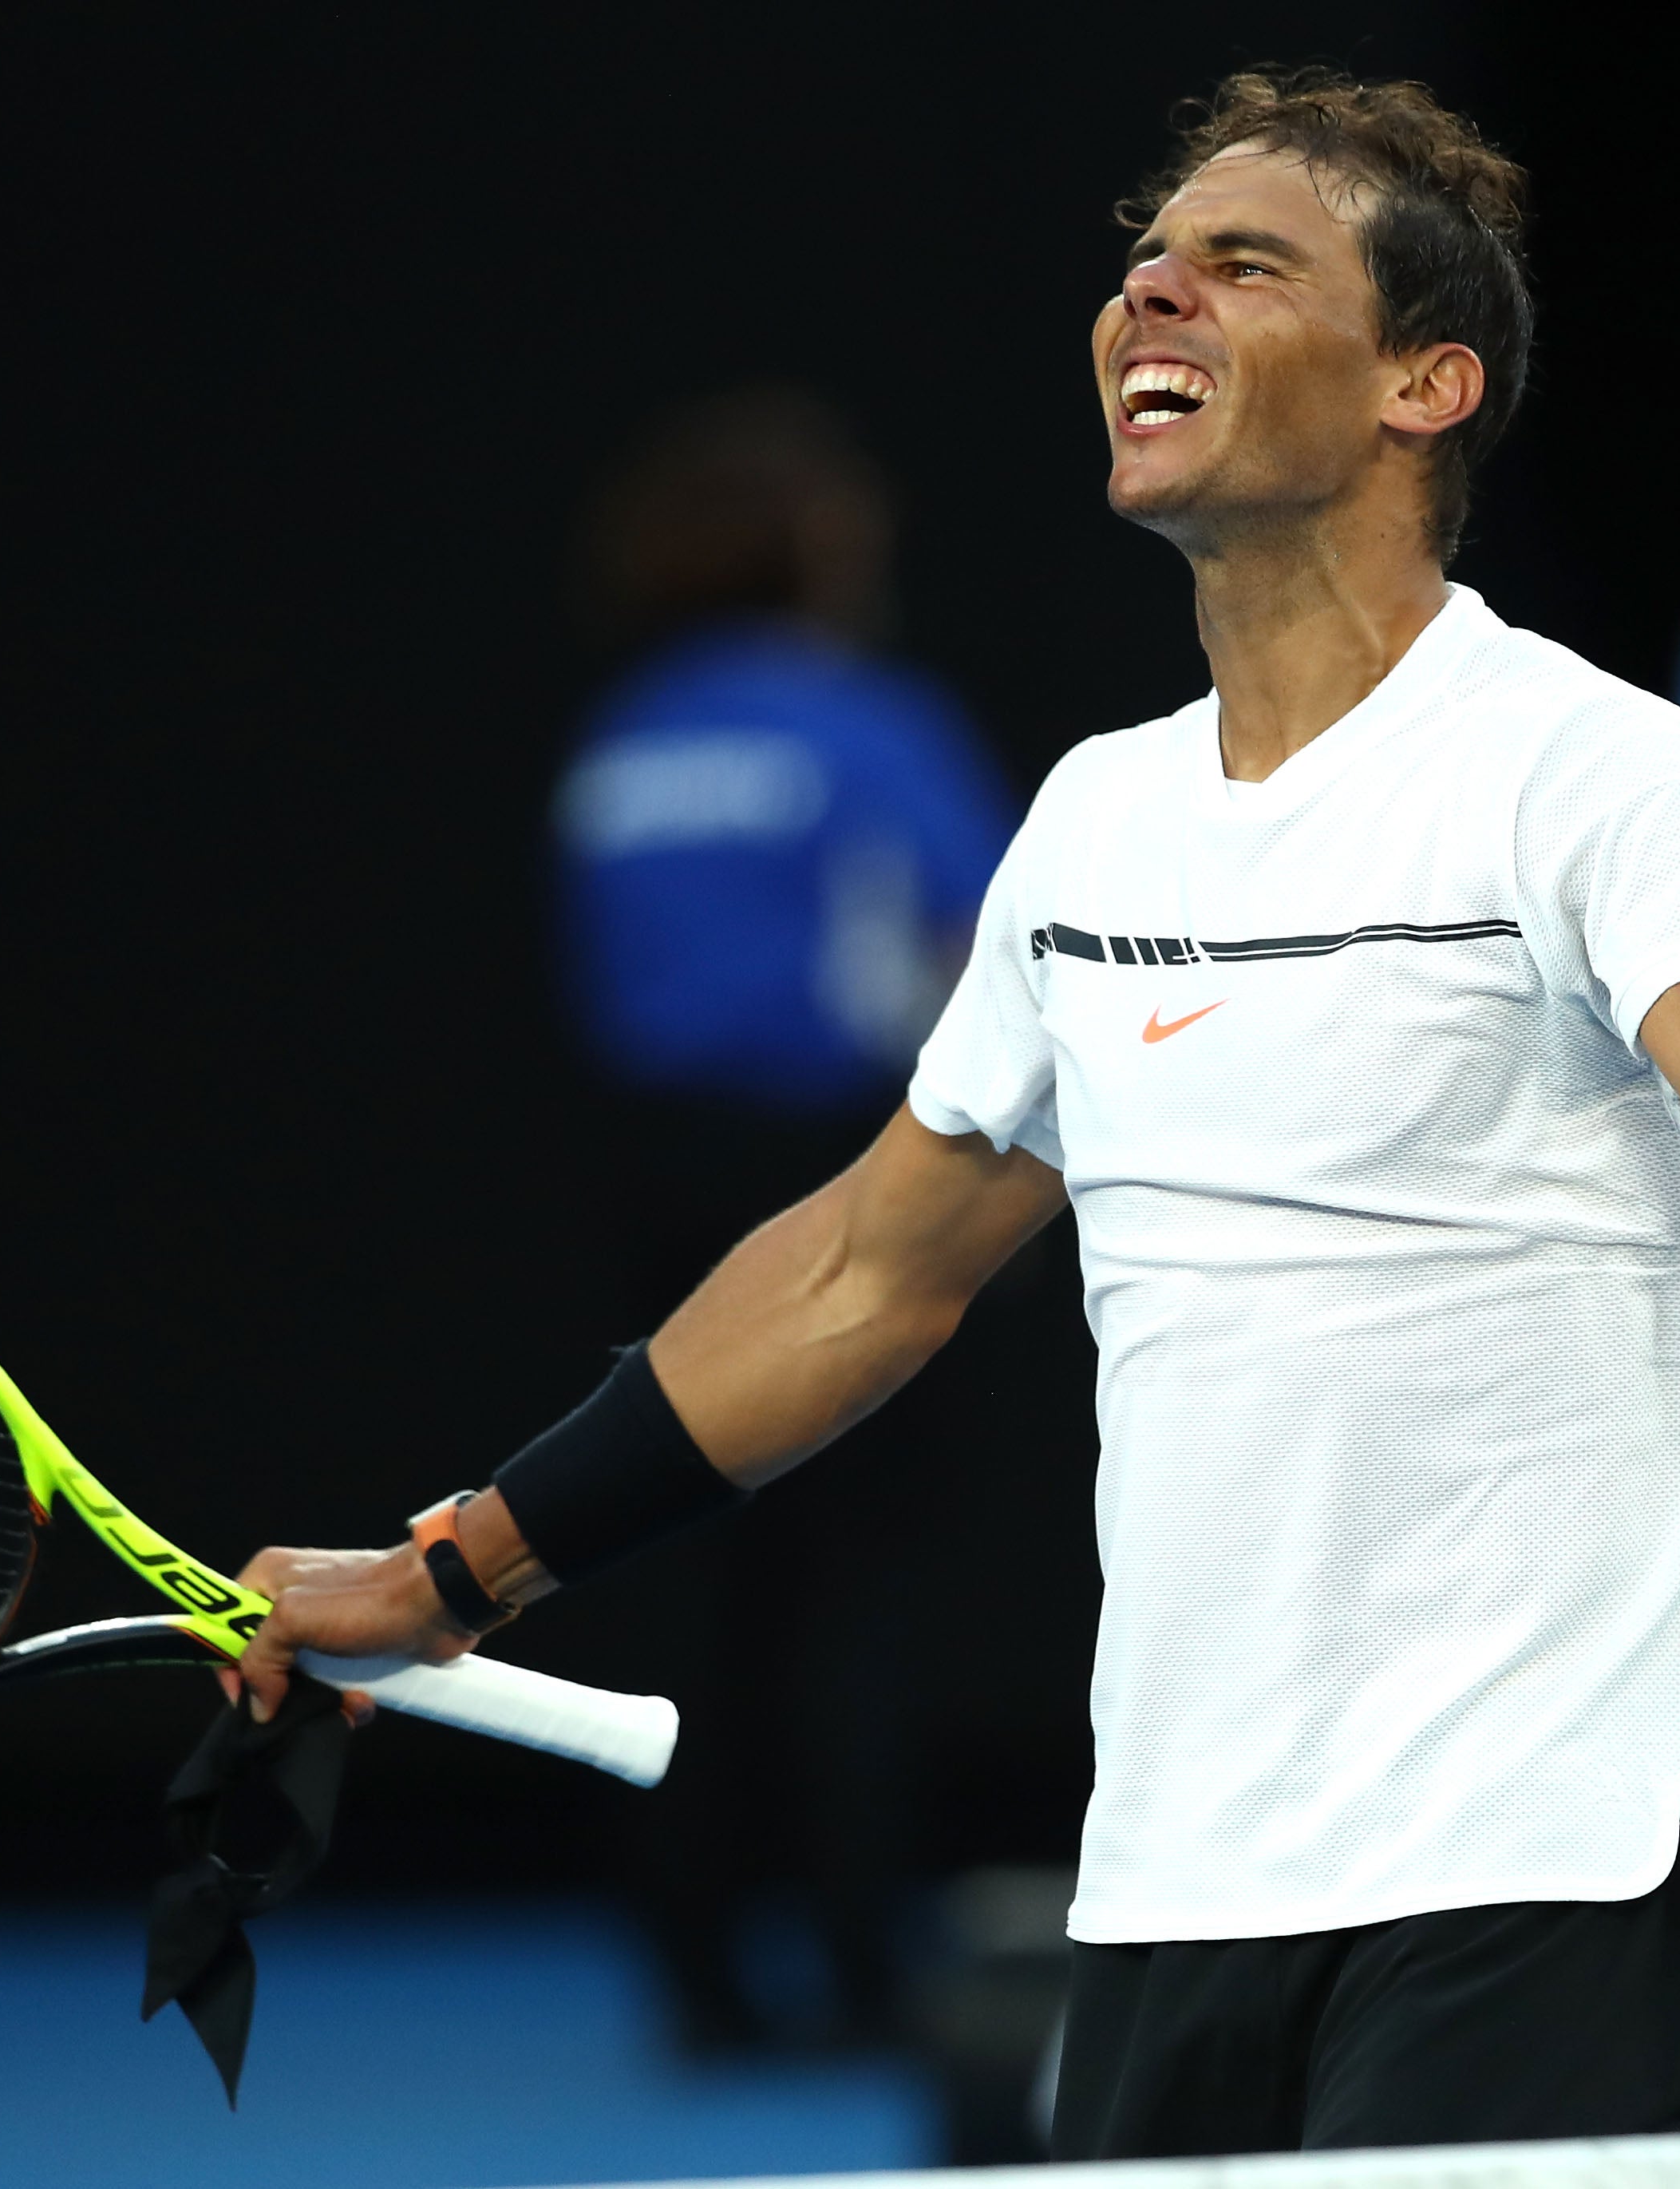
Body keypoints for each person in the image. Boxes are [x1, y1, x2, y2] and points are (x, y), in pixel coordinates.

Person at [240, 70, 1680, 2152]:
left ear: (1421, 382)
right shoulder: (1094, 820)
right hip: (1185, 1874)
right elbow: (856, 1272)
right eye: (1142, 264)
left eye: (1241, 264)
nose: (1151, 297)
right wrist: (461, 1566)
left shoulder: (1587, 768)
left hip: (1548, 1853)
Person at [553, 387, 1015, 2048]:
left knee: (689, 1569)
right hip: (833, 1180)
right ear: (804, 550)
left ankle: (688, 1964)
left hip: (653, 1183)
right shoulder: (859, 723)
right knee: (858, 1587)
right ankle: (868, 1962)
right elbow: (984, 950)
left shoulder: (620, 741)